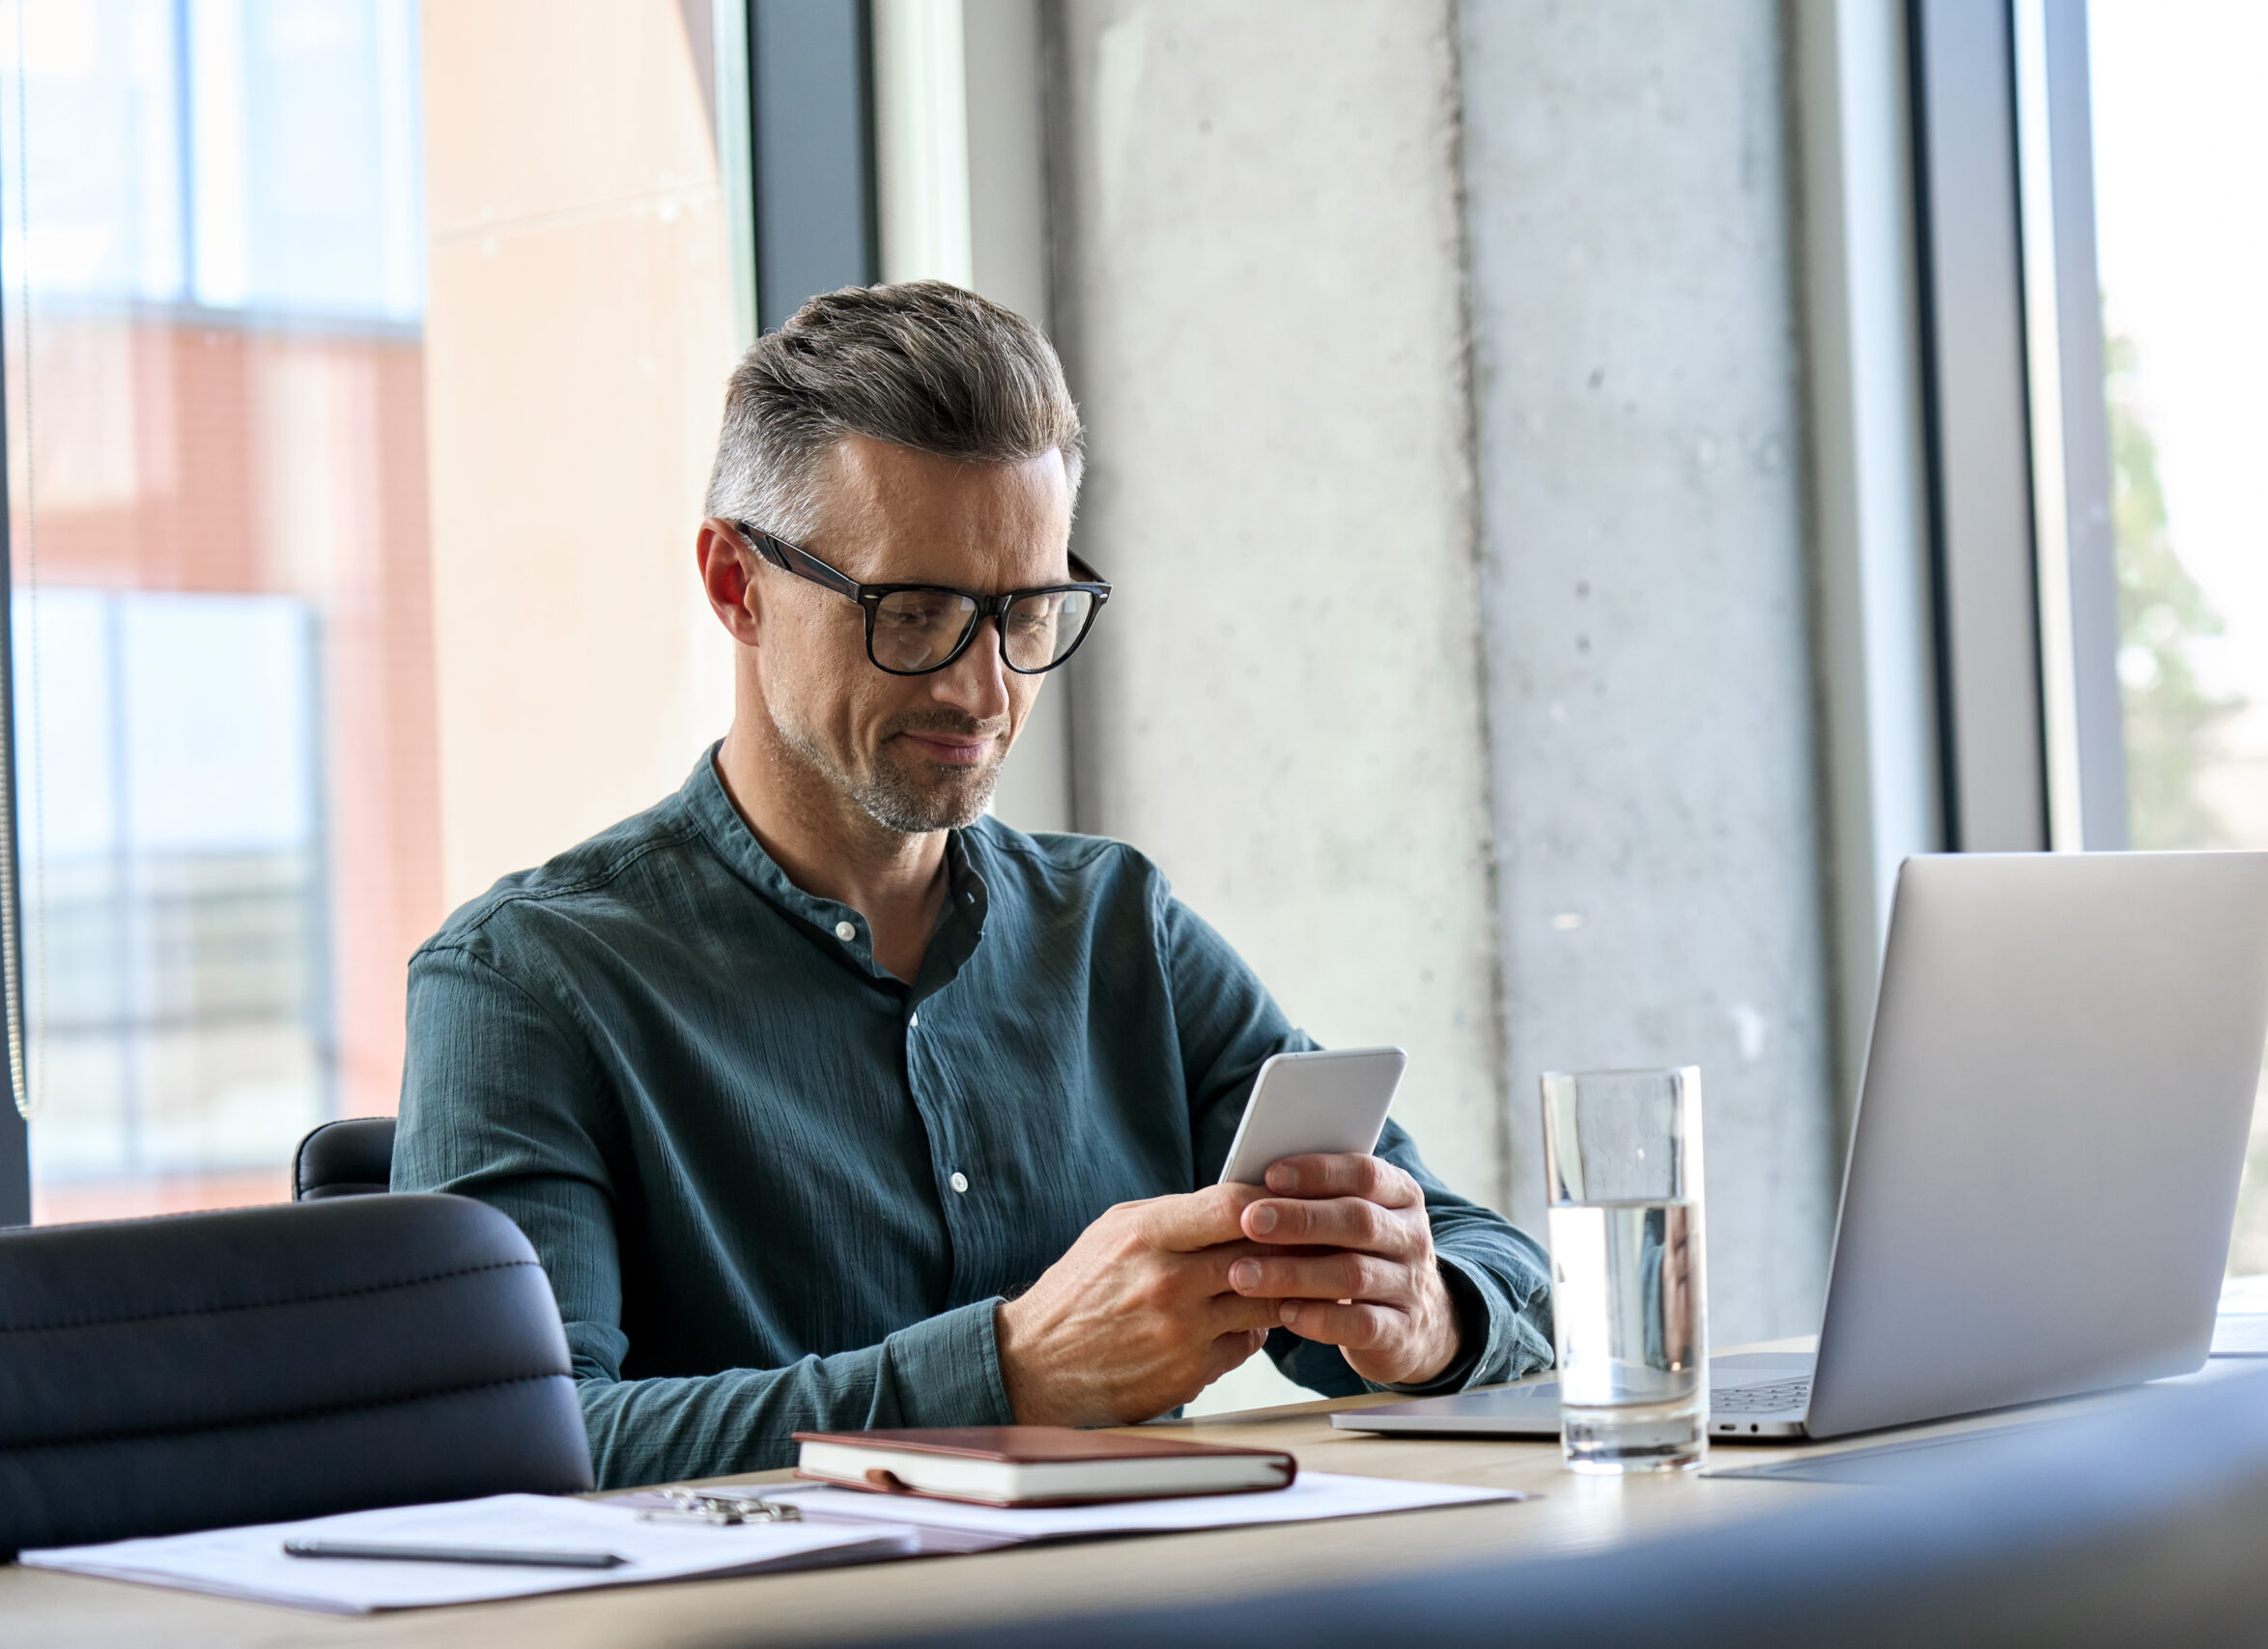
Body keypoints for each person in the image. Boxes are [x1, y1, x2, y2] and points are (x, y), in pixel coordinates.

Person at [393, 282, 1553, 1488]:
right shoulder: (527, 980)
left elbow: (1483, 1257)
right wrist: (1007, 1375)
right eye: (918, 612)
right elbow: (515, 1444)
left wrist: (1420, 1318)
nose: (984, 690)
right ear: (737, 584)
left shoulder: (1118, 931)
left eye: (1027, 613)